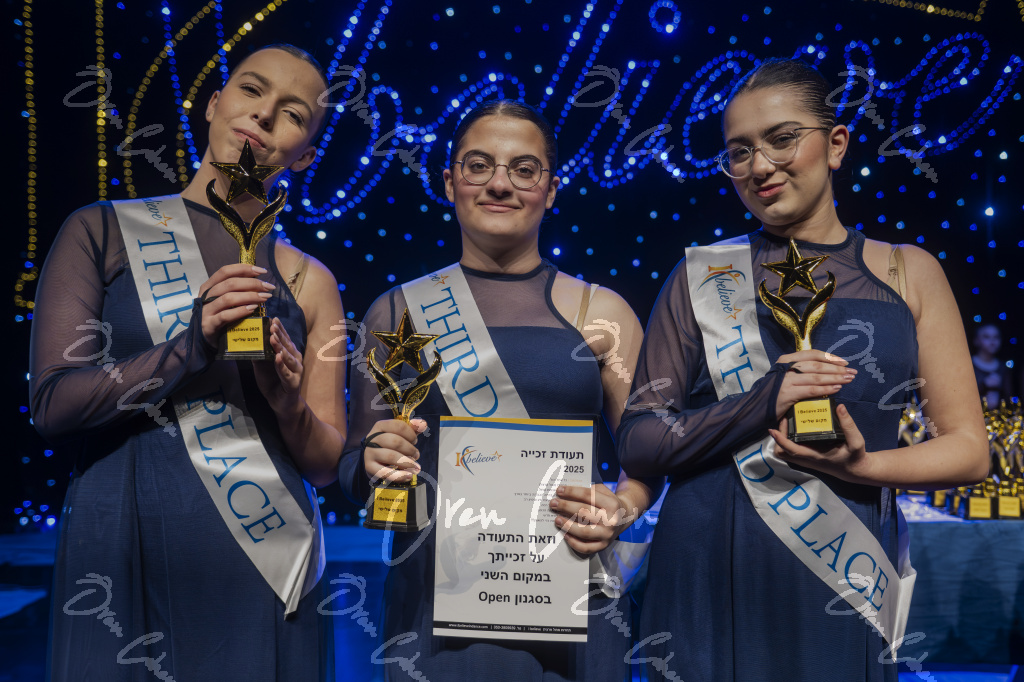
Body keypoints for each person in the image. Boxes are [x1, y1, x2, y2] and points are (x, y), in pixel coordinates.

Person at [617, 58, 988, 682]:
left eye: (782, 139)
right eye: (739, 151)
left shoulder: (907, 272)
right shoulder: (701, 275)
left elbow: (969, 451)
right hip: (706, 569)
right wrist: (762, 401)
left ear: (836, 144)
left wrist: (865, 467)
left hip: (841, 571)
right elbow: (639, 439)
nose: (760, 166)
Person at [30, 44, 344, 681]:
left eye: (291, 114)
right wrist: (191, 347)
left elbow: (325, 464)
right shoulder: (101, 230)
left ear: (305, 154)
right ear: (214, 103)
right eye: (251, 90)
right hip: (122, 535)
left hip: (262, 557)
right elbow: (53, 406)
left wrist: (286, 402)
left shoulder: (309, 280)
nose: (263, 115)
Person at [337, 99, 658, 680]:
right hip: (437, 600)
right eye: (479, 165)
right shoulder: (397, 310)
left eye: (524, 169)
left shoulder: (602, 313)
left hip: (574, 593)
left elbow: (651, 454)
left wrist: (623, 506)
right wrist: (374, 460)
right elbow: (351, 467)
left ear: (551, 190)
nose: (500, 184)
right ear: (449, 182)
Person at [971, 323, 1015, 408]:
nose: (992, 341)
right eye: (986, 337)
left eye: (996, 337)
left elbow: (1009, 398)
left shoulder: (1003, 367)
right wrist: (984, 385)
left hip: (998, 414)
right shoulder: (969, 365)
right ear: (976, 340)